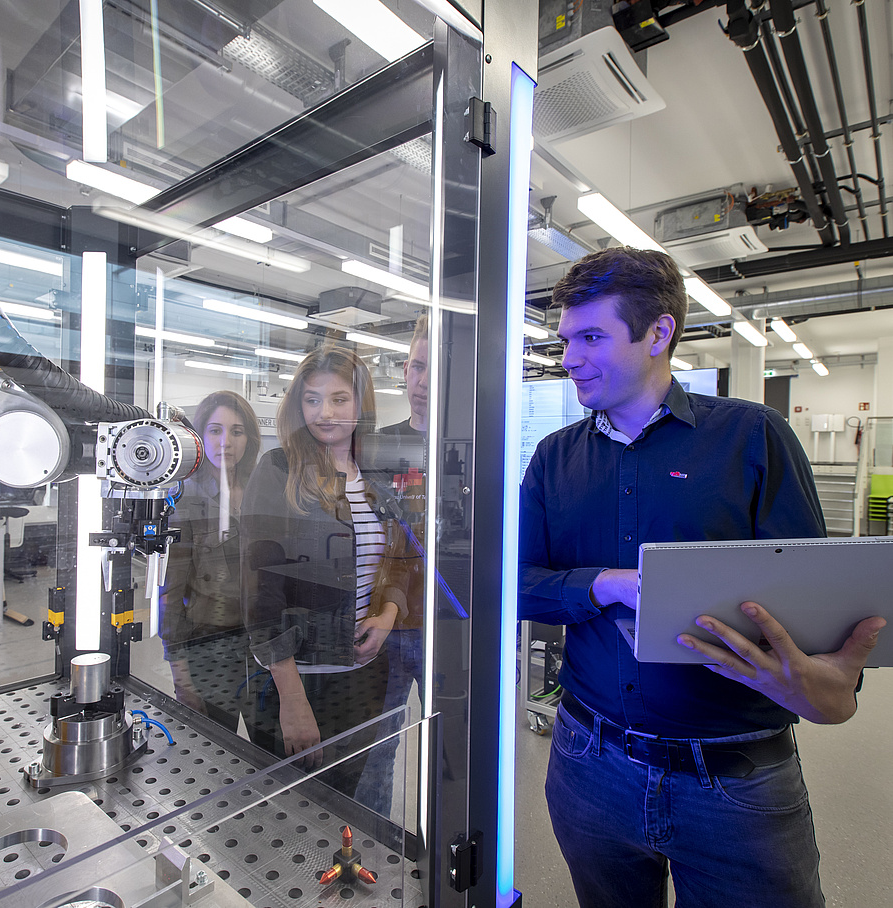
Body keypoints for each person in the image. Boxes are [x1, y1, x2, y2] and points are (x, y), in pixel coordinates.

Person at [518, 247, 885, 908]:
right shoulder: (554, 459)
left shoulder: (753, 439)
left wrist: (831, 683)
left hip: (735, 782)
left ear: (658, 333)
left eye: (593, 337)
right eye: (567, 339)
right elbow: (515, 585)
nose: (570, 357)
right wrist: (606, 583)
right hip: (588, 764)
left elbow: (818, 610)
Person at [240, 345, 408, 799]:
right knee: (294, 817)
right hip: (297, 678)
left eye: (338, 399)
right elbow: (262, 590)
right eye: (312, 400)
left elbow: (396, 559)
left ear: (360, 406)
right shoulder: (277, 470)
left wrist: (390, 612)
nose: (324, 413)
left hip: (363, 675)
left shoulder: (373, 476)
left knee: (348, 812)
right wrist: (292, 700)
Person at [356, 313, 429, 815]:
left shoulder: (481, 445)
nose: (421, 384)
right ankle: (373, 853)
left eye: (435, 372)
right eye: (417, 368)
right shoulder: (376, 446)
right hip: (388, 624)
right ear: (404, 368)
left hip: (455, 624)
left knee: (459, 754)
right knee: (377, 750)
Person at [160, 390, 261, 729]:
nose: (226, 442)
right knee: (220, 752)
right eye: (215, 430)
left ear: (249, 437)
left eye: (237, 431)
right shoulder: (186, 499)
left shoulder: (264, 492)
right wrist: (181, 676)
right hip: (209, 647)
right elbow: (170, 595)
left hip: (263, 645)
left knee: (273, 754)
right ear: (200, 436)